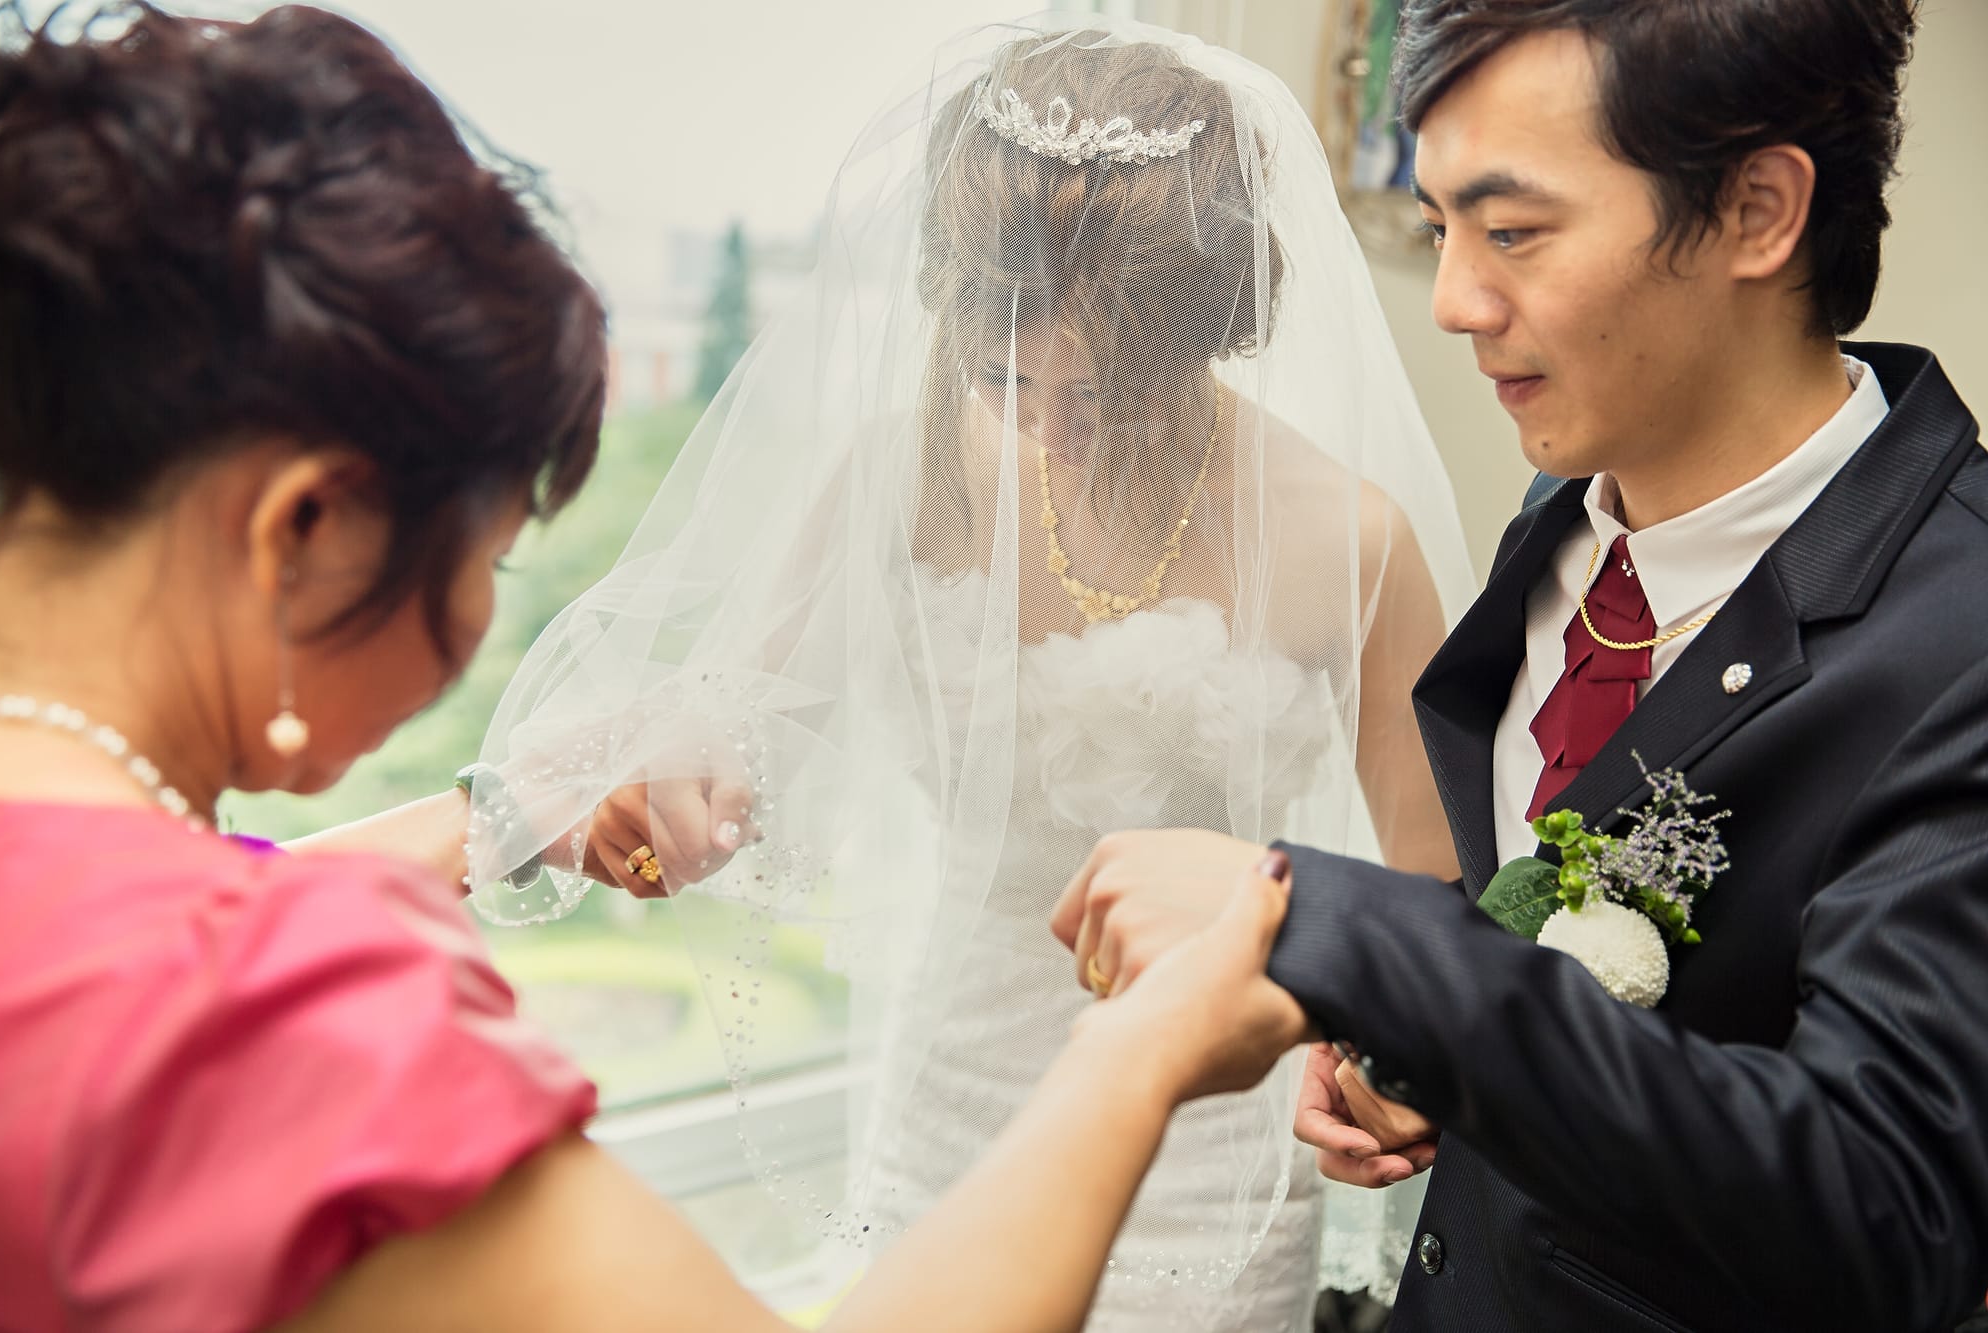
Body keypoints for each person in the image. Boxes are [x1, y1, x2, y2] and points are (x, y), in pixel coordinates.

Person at [0, 8, 1314, 1331]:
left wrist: (507, 809)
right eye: (493, 556)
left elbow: (168, 912)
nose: (476, 623)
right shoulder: (304, 1015)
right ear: (305, 529)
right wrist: (1139, 1059)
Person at [469, 15, 1475, 1329]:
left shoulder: (1346, 537)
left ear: (1208, 336)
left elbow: (1431, 887)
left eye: (1105, 395)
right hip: (956, 1079)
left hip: (1212, 1105)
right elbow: (742, 733)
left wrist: (1364, 1050)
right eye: (1006, 375)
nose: (1049, 425)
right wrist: (677, 798)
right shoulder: (897, 474)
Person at [1052, 1, 1988, 1329]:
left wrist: (1356, 938)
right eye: (1439, 227)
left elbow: (1888, 1212)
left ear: (1758, 211)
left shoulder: (1961, 636)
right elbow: (1544, 963)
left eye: (1512, 231)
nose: (1453, 301)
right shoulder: (1560, 522)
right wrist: (1418, 1050)